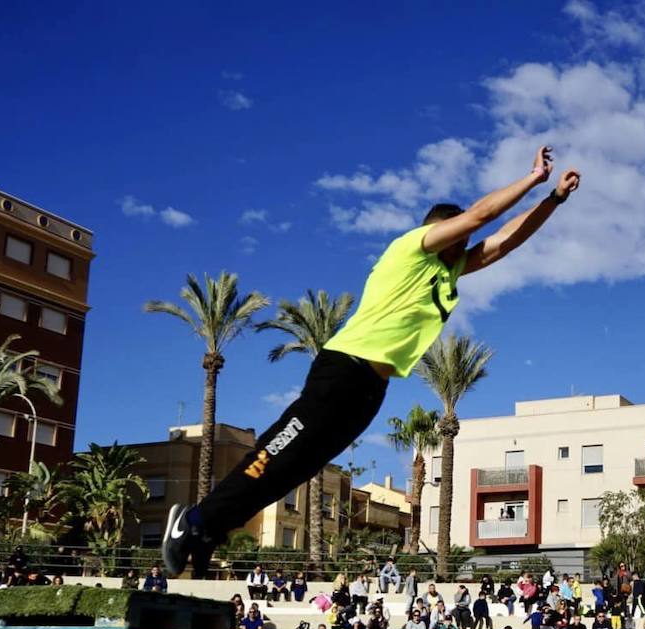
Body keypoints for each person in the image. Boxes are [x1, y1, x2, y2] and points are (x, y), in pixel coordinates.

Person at [158, 148, 582, 578]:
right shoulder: (410, 249)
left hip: (369, 391)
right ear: (437, 231)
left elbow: (503, 242)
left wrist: (553, 200)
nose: (464, 248)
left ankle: (210, 530)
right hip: (343, 369)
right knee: (280, 451)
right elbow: (479, 217)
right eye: (457, 239)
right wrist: (534, 178)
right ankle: (193, 519)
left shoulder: (446, 273)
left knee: (297, 470)